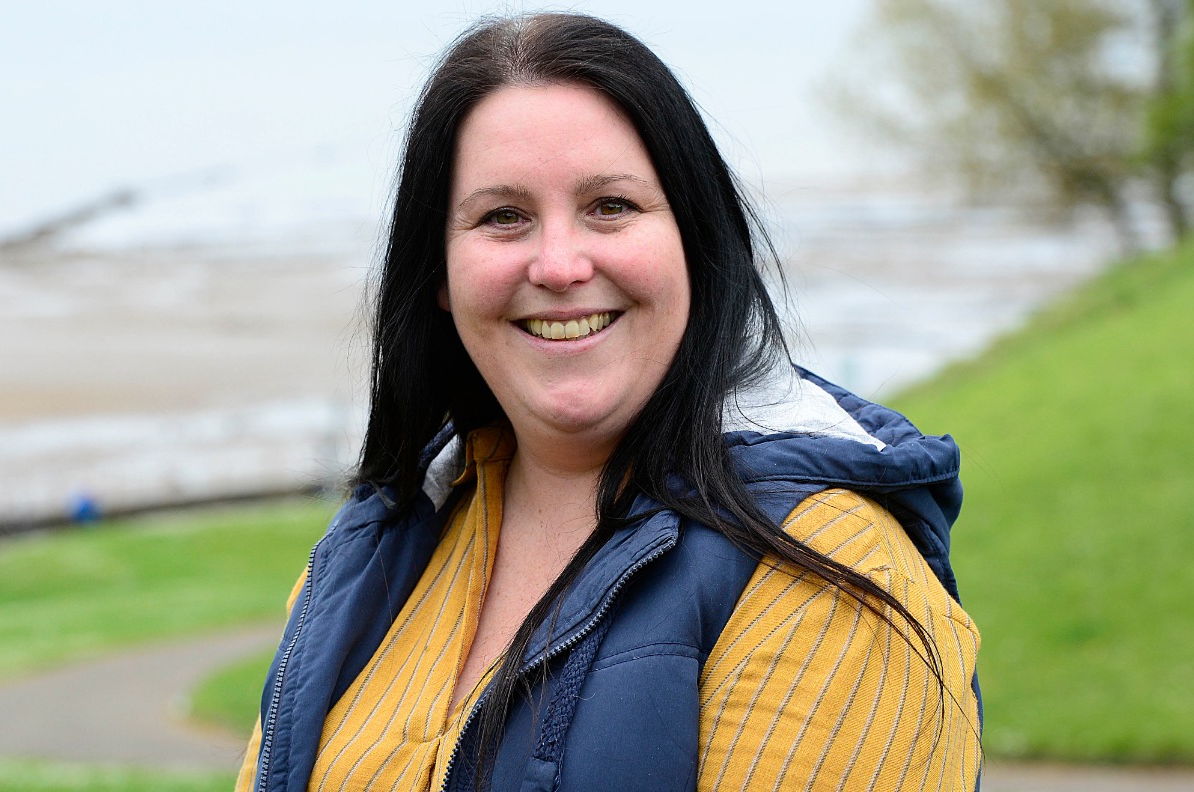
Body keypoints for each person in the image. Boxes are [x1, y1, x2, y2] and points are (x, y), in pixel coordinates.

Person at [237, 12, 981, 792]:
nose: (559, 266)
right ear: (440, 275)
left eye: (611, 206)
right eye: (503, 217)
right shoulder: (369, 556)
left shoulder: (835, 573)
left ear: (695, 240)